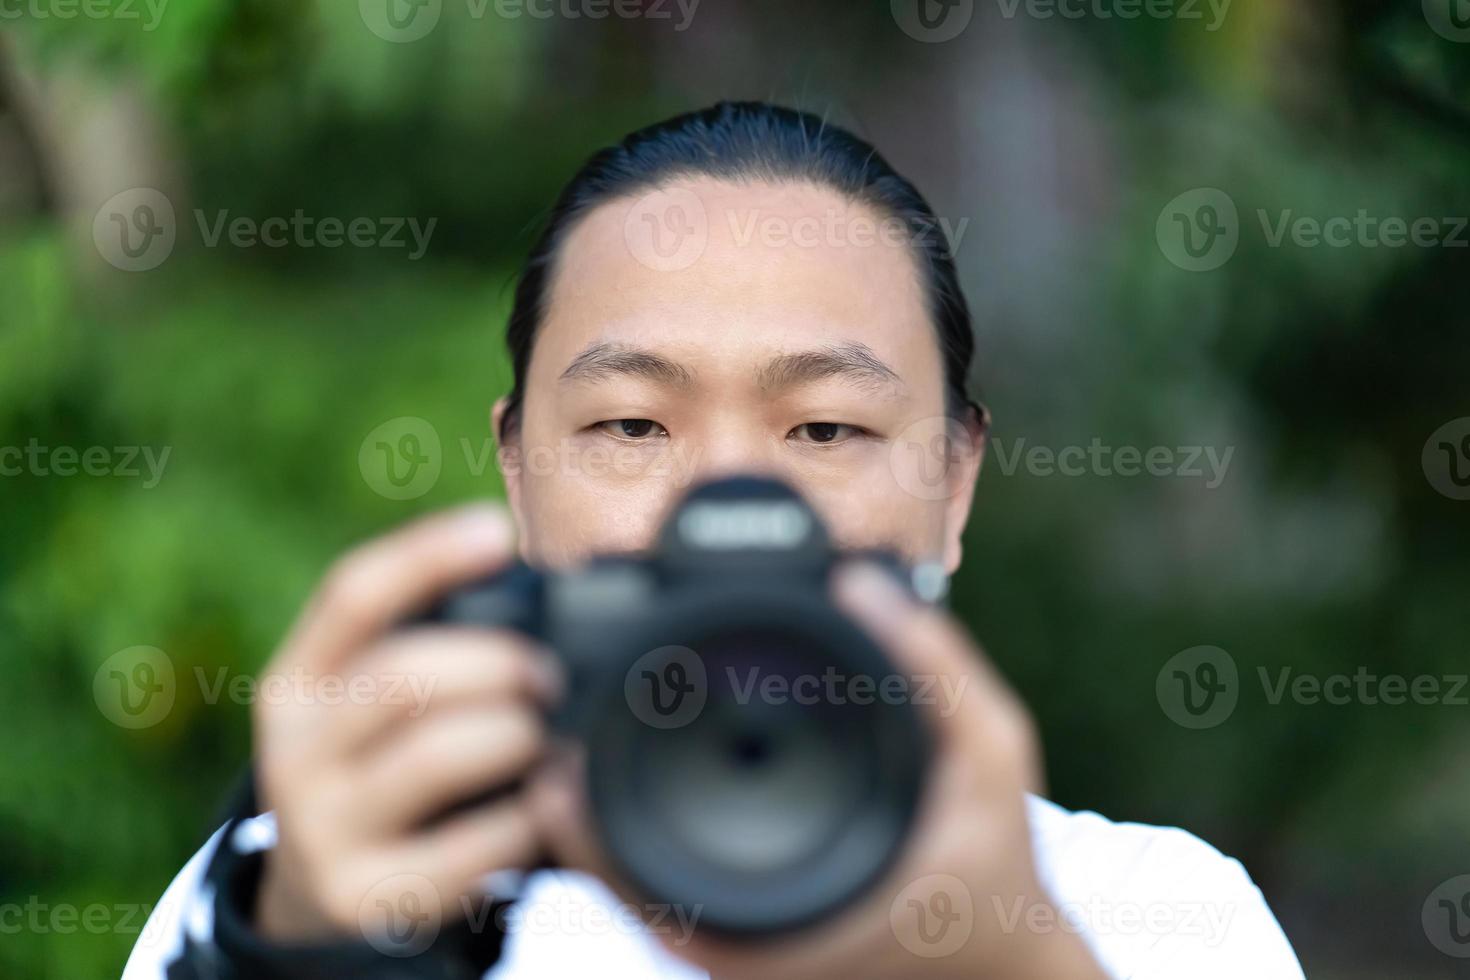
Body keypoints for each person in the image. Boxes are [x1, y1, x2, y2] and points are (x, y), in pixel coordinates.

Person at [123, 101, 1305, 979]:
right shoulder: (333, 877)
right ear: (517, 474)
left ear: (955, 482)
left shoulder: (1157, 916)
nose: (729, 495)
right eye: (633, 422)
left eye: (826, 424)